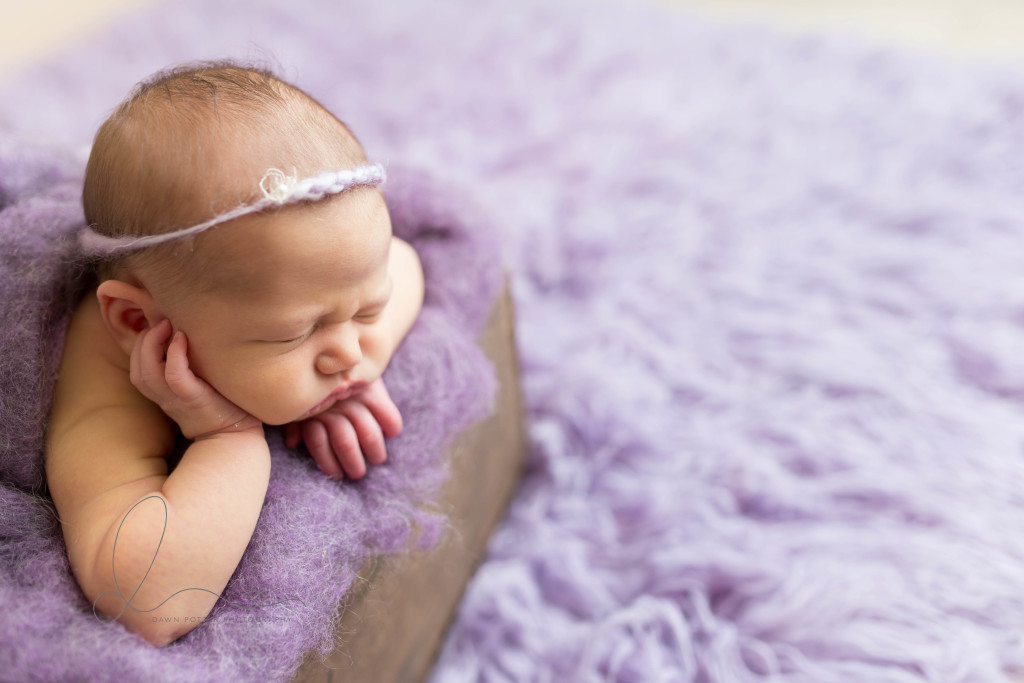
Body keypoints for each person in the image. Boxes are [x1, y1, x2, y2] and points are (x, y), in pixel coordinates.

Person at [44, 61, 424, 647]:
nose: (350, 354)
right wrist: (226, 437)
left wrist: (362, 345)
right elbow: (145, 601)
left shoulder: (322, 282)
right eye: (294, 335)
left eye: (366, 311)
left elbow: (403, 261)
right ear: (140, 322)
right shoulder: (106, 379)